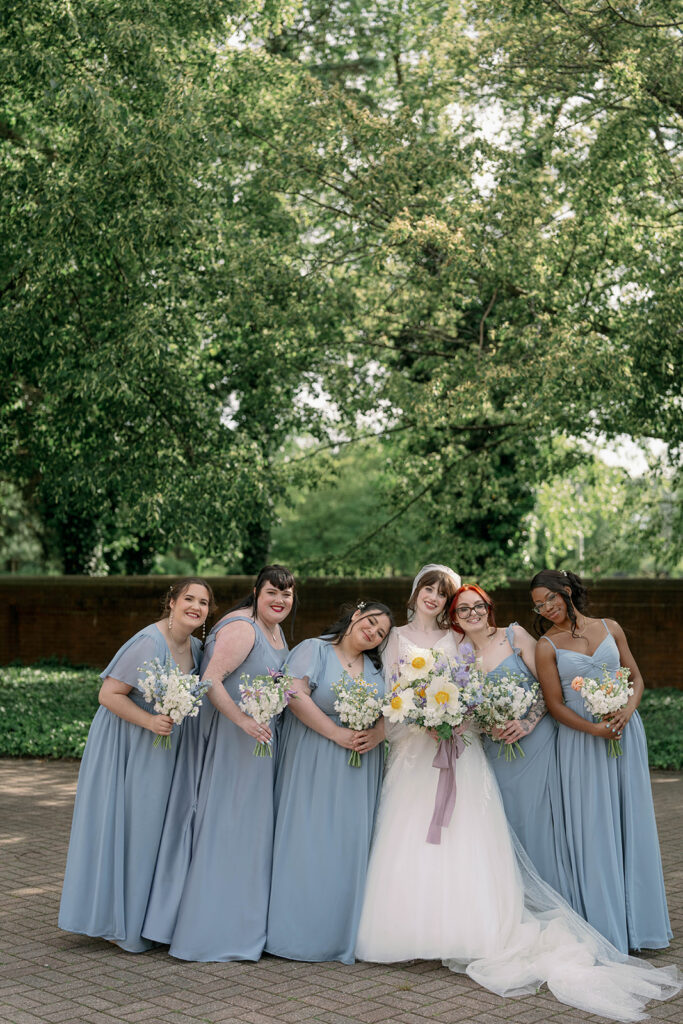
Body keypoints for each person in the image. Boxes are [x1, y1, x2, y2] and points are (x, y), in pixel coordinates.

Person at [355, 567, 680, 1021]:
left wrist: (516, 721)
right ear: (424, 598)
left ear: (489, 607)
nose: (461, 609)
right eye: (449, 600)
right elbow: (416, 693)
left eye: (469, 602)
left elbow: (544, 695)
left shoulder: (511, 637)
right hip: (430, 749)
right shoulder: (445, 644)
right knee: (417, 837)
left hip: (523, 745)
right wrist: (432, 717)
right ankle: (415, 930)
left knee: (540, 829)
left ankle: (600, 916)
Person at [143, 565, 296, 961]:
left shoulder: (275, 630)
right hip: (232, 740)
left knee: (249, 830)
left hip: (256, 742)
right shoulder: (243, 628)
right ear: (256, 593)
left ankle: (242, 923)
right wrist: (245, 720)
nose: (280, 600)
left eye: (288, 594)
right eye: (272, 593)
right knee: (227, 827)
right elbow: (210, 681)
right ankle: (213, 931)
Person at [58, 578, 214, 952]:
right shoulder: (148, 642)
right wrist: (149, 722)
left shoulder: (196, 646)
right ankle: (117, 922)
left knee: (159, 829)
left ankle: (149, 919)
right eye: (189, 599)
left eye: (204, 602)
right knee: (133, 826)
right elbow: (108, 694)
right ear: (171, 602)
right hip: (129, 742)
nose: (196, 606)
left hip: (166, 744)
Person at [531, 568, 672, 954]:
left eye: (550, 599)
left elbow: (636, 678)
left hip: (626, 734)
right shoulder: (546, 645)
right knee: (595, 827)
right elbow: (555, 705)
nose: (546, 608)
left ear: (566, 591)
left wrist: (626, 711)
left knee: (631, 820)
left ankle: (640, 925)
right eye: (539, 605)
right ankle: (606, 927)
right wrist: (593, 730)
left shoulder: (611, 626)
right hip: (581, 742)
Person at [265, 600, 393, 964]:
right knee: (308, 839)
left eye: (381, 632)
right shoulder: (314, 649)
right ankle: (297, 935)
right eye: (370, 622)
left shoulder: (374, 669)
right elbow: (293, 695)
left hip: (359, 768)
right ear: (355, 616)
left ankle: (339, 934)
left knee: (348, 844)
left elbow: (395, 710)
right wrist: (336, 733)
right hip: (314, 758)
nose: (372, 632)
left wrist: (379, 733)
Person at [451, 583, 573, 899]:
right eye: (463, 609)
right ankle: (521, 903)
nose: (472, 613)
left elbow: (551, 687)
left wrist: (528, 722)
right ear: (455, 618)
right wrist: (485, 725)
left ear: (489, 607)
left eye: (478, 605)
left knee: (540, 821)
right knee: (509, 824)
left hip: (536, 743)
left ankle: (558, 897)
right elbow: (465, 709)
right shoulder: (461, 658)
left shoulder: (514, 635)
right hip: (496, 751)